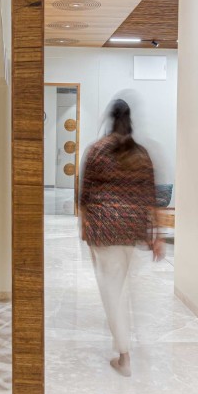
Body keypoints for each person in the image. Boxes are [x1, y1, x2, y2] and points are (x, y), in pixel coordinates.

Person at [79, 99, 164, 377]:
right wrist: (157, 236)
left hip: (103, 230)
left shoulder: (96, 151)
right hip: (131, 230)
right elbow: (151, 197)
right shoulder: (141, 154)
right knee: (120, 288)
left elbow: (84, 196)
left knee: (112, 293)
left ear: (110, 119)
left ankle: (124, 356)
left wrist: (84, 228)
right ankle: (124, 343)